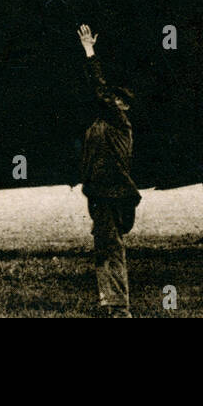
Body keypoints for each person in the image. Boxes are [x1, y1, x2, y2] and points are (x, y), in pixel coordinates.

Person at [75, 24, 140, 318]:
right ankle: (112, 303)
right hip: (104, 195)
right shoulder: (102, 127)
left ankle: (118, 308)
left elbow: (99, 88)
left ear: (123, 105)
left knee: (110, 250)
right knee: (107, 247)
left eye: (117, 99)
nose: (112, 101)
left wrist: (89, 51)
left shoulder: (118, 121)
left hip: (112, 194)